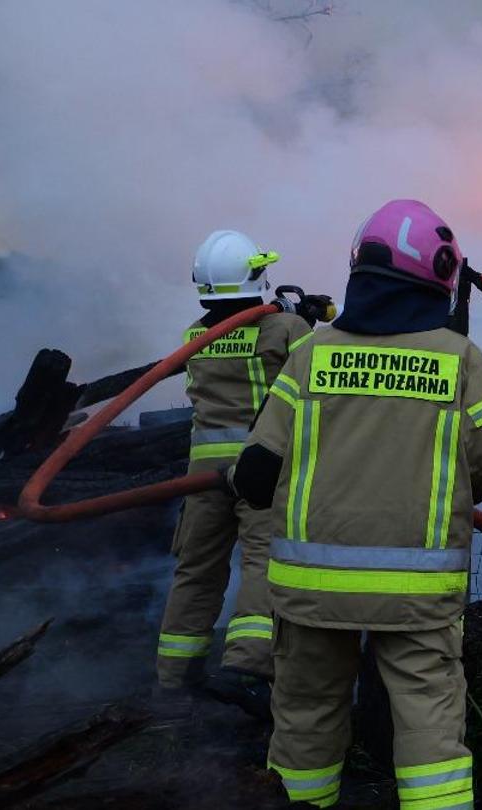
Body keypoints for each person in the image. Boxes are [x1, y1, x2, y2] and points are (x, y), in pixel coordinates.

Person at [228, 200, 482, 809]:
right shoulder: (460, 360)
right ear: (440, 275)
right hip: (417, 592)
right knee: (430, 728)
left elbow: (254, 474)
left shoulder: (309, 354)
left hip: (310, 590)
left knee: (304, 717)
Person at [156, 229, 309, 710]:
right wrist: (301, 318)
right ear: (256, 277)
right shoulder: (284, 330)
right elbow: (311, 372)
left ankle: (174, 674)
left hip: (203, 475)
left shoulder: (193, 338)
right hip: (261, 470)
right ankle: (247, 667)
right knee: (264, 563)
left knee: (196, 569)